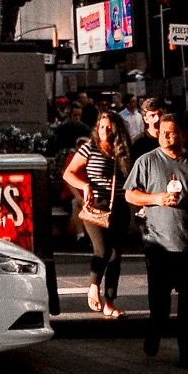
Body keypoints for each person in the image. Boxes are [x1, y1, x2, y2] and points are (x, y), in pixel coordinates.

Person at [125, 114, 188, 370]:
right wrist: (156, 199)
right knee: (159, 302)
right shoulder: (146, 161)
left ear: (183, 135)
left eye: (173, 132)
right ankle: (155, 330)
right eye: (163, 132)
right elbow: (130, 194)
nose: (168, 136)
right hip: (159, 245)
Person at [63, 111, 132, 318]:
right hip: (96, 206)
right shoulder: (89, 148)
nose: (104, 131)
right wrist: (84, 186)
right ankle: (93, 285)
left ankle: (109, 303)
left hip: (119, 206)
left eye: (109, 127)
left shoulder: (125, 151)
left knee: (115, 256)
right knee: (102, 251)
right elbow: (68, 173)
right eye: (101, 127)